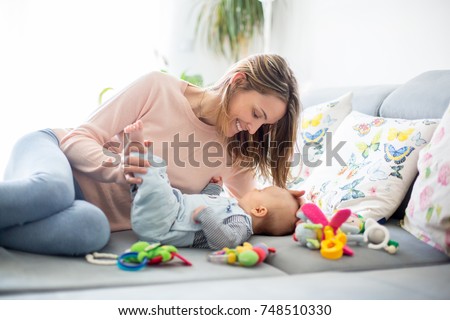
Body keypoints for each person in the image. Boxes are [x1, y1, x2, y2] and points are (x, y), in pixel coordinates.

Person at [0, 53, 301, 256]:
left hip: (84, 210)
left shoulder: (237, 155)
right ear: (238, 82)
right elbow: (79, 138)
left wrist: (304, 210)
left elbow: (261, 209)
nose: (252, 128)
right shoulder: (158, 87)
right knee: (53, 191)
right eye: (255, 113)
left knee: (92, 230)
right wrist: (119, 168)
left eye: (264, 123)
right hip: (53, 156)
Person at [125, 120, 300, 250]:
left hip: (166, 224)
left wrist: (205, 215)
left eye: (261, 190)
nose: (255, 188)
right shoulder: (233, 207)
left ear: (259, 210)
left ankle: (139, 152)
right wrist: (213, 190)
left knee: (156, 186)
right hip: (170, 211)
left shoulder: (242, 224)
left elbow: (226, 241)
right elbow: (209, 203)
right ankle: (140, 161)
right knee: (159, 172)